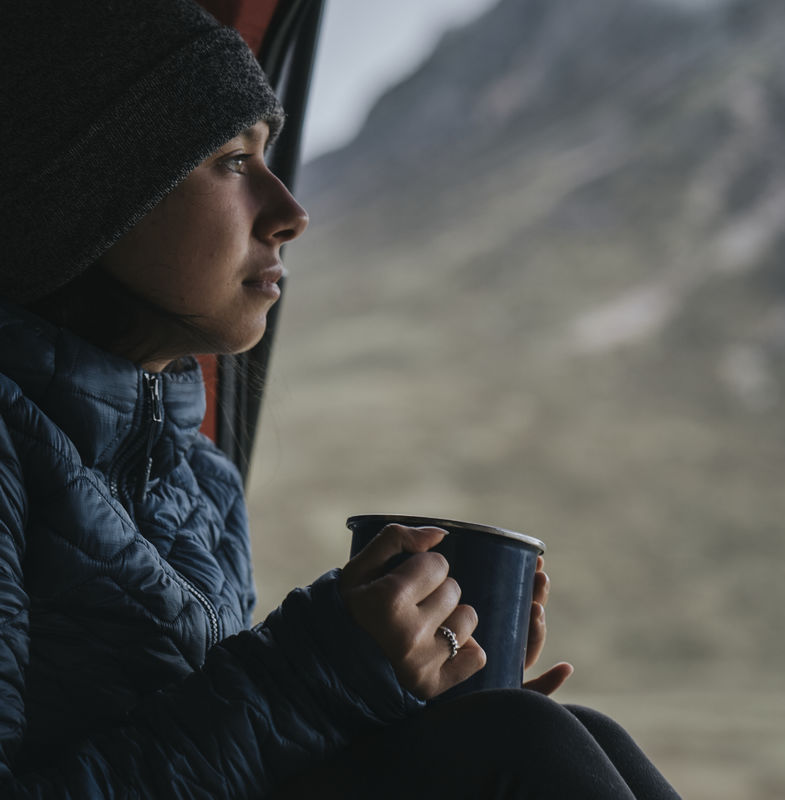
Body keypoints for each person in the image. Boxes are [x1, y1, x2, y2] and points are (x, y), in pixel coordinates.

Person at [0, 1, 681, 797]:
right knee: (517, 740)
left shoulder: (201, 476)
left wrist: (403, 692)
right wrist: (321, 672)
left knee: (552, 730)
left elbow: (223, 757)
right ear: (91, 189)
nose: (291, 214)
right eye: (232, 160)